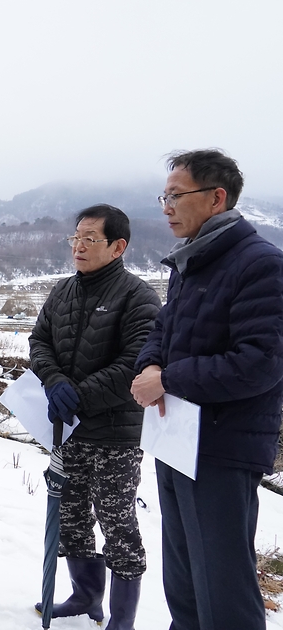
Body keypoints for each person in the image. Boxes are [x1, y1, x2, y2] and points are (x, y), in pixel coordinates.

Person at [131, 149, 283, 630]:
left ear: (217, 198)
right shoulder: (191, 263)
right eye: (164, 196)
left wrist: (169, 378)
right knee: (184, 584)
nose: (166, 206)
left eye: (176, 195)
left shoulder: (260, 264)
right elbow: (163, 332)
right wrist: (149, 365)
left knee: (223, 589)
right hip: (176, 439)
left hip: (221, 447)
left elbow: (261, 362)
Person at [28, 204, 161, 629]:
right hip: (67, 432)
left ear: (118, 247)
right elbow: (39, 340)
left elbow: (135, 364)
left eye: (91, 239)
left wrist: (79, 395)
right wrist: (52, 381)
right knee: (71, 518)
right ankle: (86, 596)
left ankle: (122, 618)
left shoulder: (138, 296)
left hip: (115, 436)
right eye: (76, 237)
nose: (79, 246)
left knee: (117, 524)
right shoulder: (62, 291)